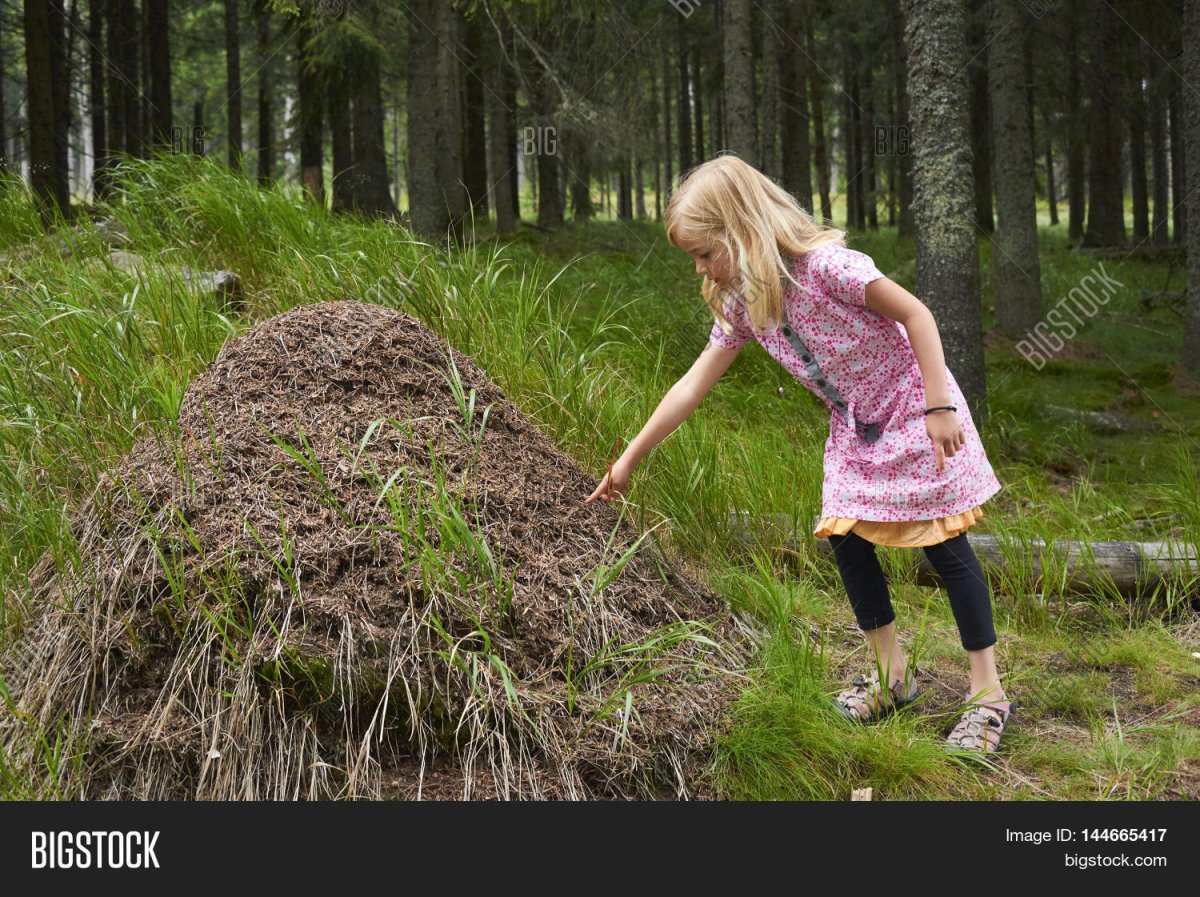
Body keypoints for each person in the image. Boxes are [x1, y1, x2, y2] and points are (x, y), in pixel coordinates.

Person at [585, 154, 1015, 753]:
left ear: (739, 230)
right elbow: (691, 386)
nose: (700, 268)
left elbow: (918, 314)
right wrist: (629, 458)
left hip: (916, 405)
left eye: (704, 253)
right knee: (845, 536)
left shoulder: (828, 269)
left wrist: (938, 405)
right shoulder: (743, 302)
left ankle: (987, 694)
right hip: (856, 425)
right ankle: (892, 676)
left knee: (944, 544)